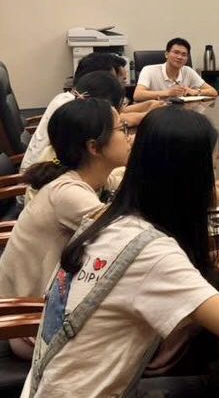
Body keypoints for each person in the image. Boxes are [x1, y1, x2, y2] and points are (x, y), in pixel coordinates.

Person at [21, 106, 219, 396]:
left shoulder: (107, 221)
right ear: (187, 180)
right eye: (210, 169)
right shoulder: (152, 253)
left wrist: (198, 265)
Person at [0, 97, 131, 300]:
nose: (129, 137)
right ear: (94, 148)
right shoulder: (68, 195)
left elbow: (122, 179)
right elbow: (129, 237)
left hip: (54, 294)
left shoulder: (87, 178)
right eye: (122, 129)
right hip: (26, 310)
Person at [21, 54, 160, 173]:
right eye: (113, 80)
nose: (116, 85)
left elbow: (118, 116)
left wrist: (147, 107)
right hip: (42, 175)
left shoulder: (71, 98)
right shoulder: (75, 110)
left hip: (47, 170)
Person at [133, 37, 218, 101]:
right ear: (166, 54)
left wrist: (195, 92)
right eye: (176, 52)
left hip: (182, 113)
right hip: (156, 113)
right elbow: (137, 95)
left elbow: (213, 92)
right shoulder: (149, 70)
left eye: (184, 54)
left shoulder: (188, 71)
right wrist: (168, 93)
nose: (179, 57)